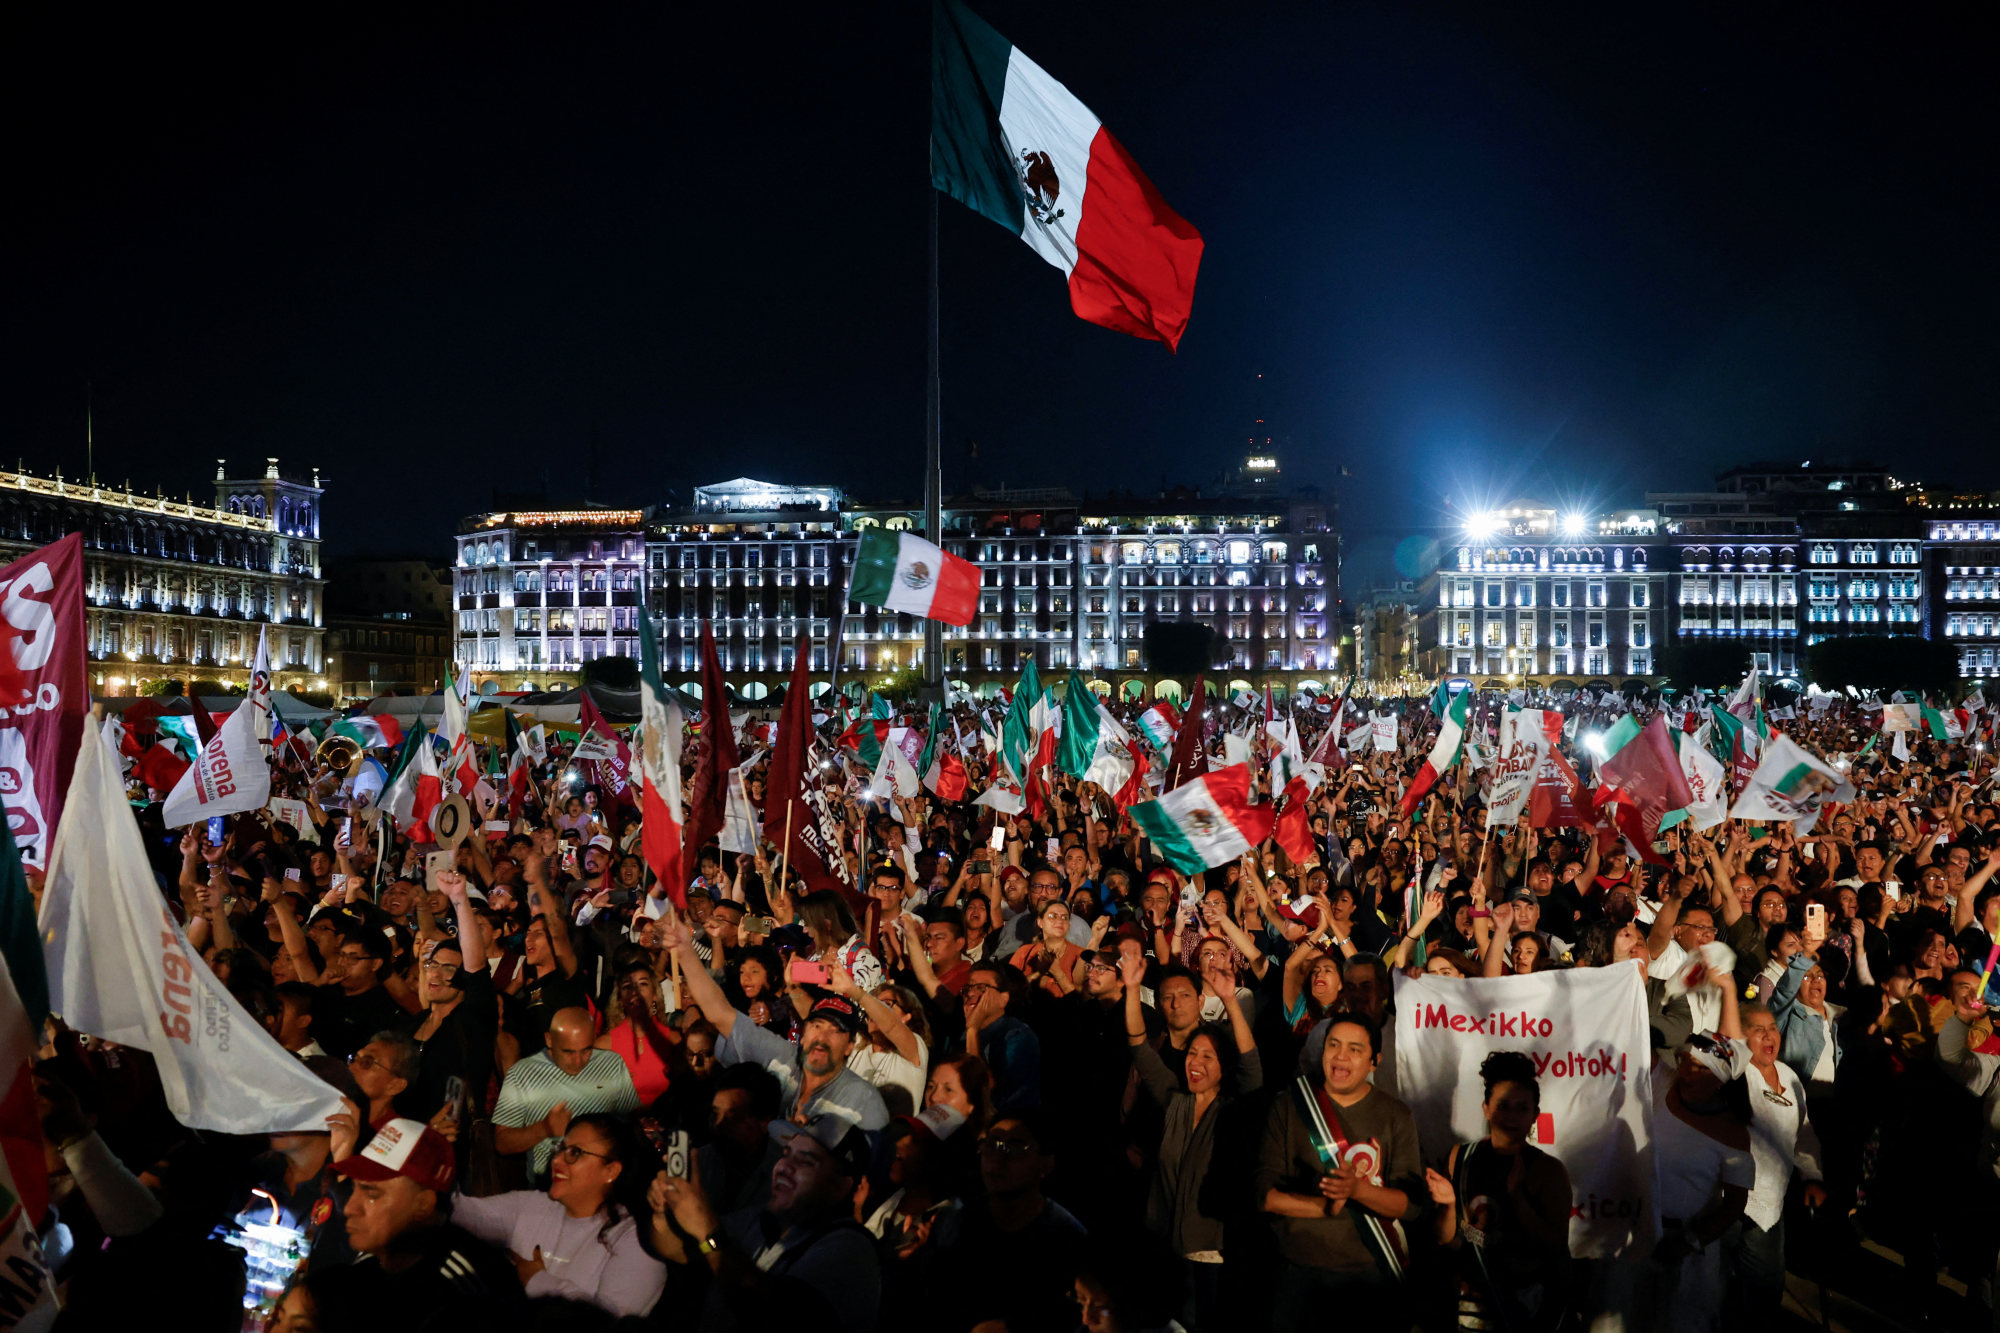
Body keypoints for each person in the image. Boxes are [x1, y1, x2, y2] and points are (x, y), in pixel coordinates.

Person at [1122, 948, 1262, 1332]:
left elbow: (1250, 1063)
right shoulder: (1174, 1101)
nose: (1196, 1061)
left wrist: (1231, 1001)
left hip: (1215, 1254)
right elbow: (1138, 1045)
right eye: (1193, 1054)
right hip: (1166, 1246)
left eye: (1208, 1056)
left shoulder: (1235, 1110)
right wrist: (1133, 988)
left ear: (1223, 1066)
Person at [1254, 1011, 1423, 1327]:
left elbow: (1410, 1205)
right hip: (1298, 1273)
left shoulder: (1395, 1116)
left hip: (1370, 1274)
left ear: (1375, 1061)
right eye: (1334, 1045)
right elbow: (1265, 1196)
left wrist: (1357, 1190)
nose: (1341, 1057)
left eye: (1355, 1050)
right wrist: (1326, 1207)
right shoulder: (1289, 1106)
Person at [651, 1113, 882, 1333]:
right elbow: (686, 1252)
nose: (783, 1167)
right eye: (786, 1153)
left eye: (806, 1162)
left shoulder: (851, 1250)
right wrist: (664, 1213)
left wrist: (706, 1229)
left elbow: (778, 1320)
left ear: (840, 1187)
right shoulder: (760, 1219)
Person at [665, 912, 890, 1130]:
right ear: (803, 1034)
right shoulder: (785, 1062)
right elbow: (718, 1013)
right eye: (816, 1025)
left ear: (850, 1045)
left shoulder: (863, 1100)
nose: (821, 1037)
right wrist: (684, 951)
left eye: (835, 1031)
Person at [449, 1114, 665, 1317]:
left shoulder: (635, 1239)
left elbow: (609, 1326)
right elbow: (457, 1212)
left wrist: (536, 1280)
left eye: (575, 1153)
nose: (557, 1161)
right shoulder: (531, 1206)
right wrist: (434, 1153)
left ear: (611, 1171)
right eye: (560, 1149)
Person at [317, 1113, 522, 1322]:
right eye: (354, 1188)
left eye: (372, 1194)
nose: (350, 1208)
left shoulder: (462, 1291)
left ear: (423, 1204)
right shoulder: (370, 1263)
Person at [1424, 1051, 1573, 1332]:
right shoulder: (1461, 1157)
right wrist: (1447, 1204)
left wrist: (1517, 1197)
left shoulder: (1548, 1170)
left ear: (1535, 1115)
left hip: (1526, 1307)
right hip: (1471, 1304)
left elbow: (1555, 1248)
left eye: (1522, 1108)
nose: (1511, 1116)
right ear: (1486, 1108)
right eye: (1503, 1106)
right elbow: (1449, 1240)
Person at [1648, 1029, 1754, 1332]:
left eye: (1700, 1067)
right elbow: (1635, 1036)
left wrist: (1689, 1242)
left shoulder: (1734, 1134)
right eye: (1685, 1061)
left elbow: (1735, 1203)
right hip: (1636, 1232)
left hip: (1685, 1253)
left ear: (1721, 1080)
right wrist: (1633, 988)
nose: (1686, 1071)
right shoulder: (1665, 1083)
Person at [1727, 1001, 1825, 1319]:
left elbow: (1804, 1134)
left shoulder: (1789, 1076)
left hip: (1770, 1205)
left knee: (1765, 1292)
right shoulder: (1735, 1076)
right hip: (1728, 1201)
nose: (1769, 1036)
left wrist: (1812, 1176)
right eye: (1758, 1030)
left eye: (1772, 1028)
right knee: (1722, 1292)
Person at [490, 1005, 641, 1183]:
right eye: (568, 1052)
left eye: (586, 1050)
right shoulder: (522, 1074)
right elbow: (502, 1142)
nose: (578, 1061)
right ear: (549, 1039)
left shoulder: (612, 1064)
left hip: (601, 1185)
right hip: (550, 1185)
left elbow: (631, 1123)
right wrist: (543, 1129)